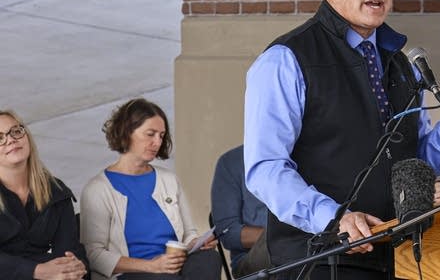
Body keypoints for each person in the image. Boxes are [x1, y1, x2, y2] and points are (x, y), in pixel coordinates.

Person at [243, 0, 440, 280]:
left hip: (399, 257)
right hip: (321, 258)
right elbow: (265, 169)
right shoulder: (286, 60)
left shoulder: (399, 63)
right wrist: (333, 219)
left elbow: (412, 165)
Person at [80, 98, 221, 280]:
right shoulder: (97, 189)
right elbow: (93, 255)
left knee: (209, 259)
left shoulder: (169, 180)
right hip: (131, 274)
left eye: (161, 136)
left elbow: (188, 234)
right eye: (150, 134)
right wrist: (152, 266)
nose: (157, 142)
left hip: (173, 269)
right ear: (127, 132)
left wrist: (196, 243)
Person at [0, 110, 89, 280]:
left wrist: (75, 268)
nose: (11, 140)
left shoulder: (55, 190)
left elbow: (69, 251)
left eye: (16, 131)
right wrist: (36, 270)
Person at [210, 145, 270, 277]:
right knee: (284, 248)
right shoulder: (231, 161)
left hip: (309, 249)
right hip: (251, 259)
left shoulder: (305, 155)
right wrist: (279, 237)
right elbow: (228, 233)